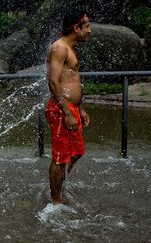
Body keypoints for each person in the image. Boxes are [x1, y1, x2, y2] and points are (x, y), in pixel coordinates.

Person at [45, 10, 91, 204]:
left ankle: (56, 188)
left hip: (71, 109)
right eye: (87, 25)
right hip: (60, 110)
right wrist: (66, 112)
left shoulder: (70, 48)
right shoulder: (59, 48)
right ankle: (55, 199)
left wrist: (79, 109)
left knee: (77, 152)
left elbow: (71, 80)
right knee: (59, 157)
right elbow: (53, 82)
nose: (90, 30)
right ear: (76, 28)